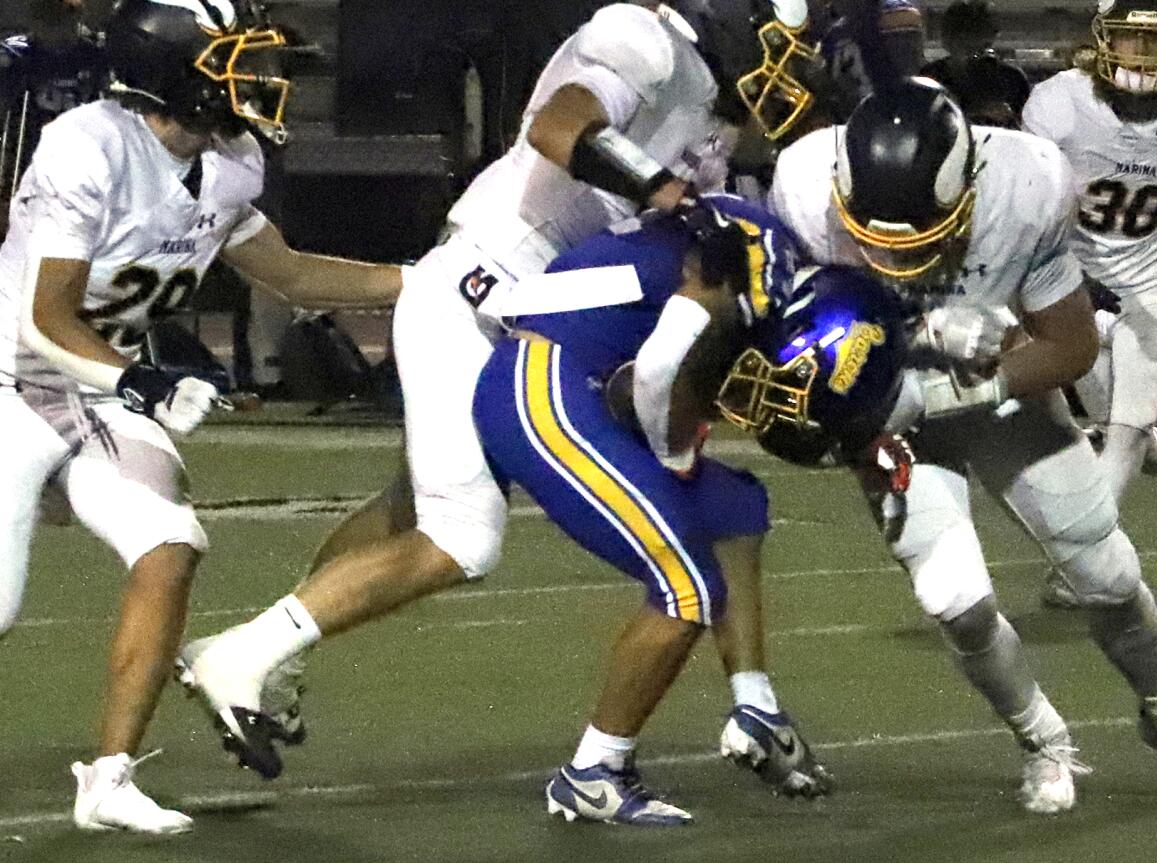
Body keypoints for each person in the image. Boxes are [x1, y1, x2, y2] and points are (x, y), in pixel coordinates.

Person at [177, 0, 827, 787]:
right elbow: (563, 128)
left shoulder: (708, 97)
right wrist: (670, 197)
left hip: (522, 306)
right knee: (463, 534)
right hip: (491, 292)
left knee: (407, 505)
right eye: (776, 38)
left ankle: (266, 651)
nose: (783, 64)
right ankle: (245, 653)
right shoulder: (643, 38)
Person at [0, 0, 403, 833]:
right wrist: (142, 386)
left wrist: (424, 278)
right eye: (234, 59)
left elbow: (288, 273)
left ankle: (108, 780)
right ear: (173, 72)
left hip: (97, 387)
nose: (257, 78)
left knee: (172, 546)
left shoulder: (231, 161)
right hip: (12, 377)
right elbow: (47, 316)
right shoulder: (89, 142)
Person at [767, 76, 1157, 813]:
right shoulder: (806, 189)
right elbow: (800, 350)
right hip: (885, 404)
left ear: (969, 187)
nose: (900, 261)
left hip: (997, 388)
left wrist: (956, 385)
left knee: (1106, 571)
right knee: (954, 599)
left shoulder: (1026, 186)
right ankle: (1043, 740)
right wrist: (909, 347)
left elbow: (1066, 345)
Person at [467, 195, 832, 825]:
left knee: (736, 505)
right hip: (544, 381)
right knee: (686, 583)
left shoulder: (736, 225)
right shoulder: (757, 244)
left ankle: (756, 708)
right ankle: (593, 771)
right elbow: (663, 361)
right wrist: (673, 458)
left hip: (569, 378)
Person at [1022, 0, 1157, 604]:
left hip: (1152, 285)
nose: (1142, 55)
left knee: (1126, 431)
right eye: (1129, 40)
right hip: (1072, 288)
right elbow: (1031, 203)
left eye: (1155, 42)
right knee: (1109, 429)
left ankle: (1084, 564)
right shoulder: (1060, 103)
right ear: (1103, 42)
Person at [921, 0, 1030, 127]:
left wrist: (1010, 118)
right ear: (948, 41)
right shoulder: (931, 77)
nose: (972, 56)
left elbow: (1028, 131)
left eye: (978, 47)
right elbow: (921, 124)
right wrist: (973, 114)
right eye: (963, 44)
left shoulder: (1012, 78)